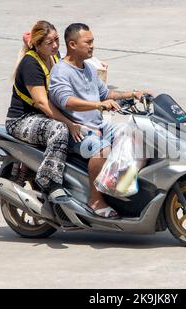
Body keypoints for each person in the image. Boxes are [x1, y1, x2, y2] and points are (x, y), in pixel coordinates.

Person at [49, 23, 151, 218]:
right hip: (77, 129)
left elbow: (105, 93)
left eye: (92, 41)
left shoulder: (87, 67)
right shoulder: (61, 71)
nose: (92, 46)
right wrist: (97, 105)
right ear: (72, 44)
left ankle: (119, 186)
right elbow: (67, 101)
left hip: (98, 124)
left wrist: (134, 93)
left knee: (140, 137)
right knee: (102, 150)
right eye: (88, 42)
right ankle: (95, 199)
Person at [5, 20, 87, 202]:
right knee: (60, 130)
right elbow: (42, 103)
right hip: (22, 120)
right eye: (50, 43)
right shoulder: (30, 64)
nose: (56, 45)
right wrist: (69, 123)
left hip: (44, 117)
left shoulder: (55, 56)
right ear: (37, 44)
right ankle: (49, 180)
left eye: (57, 40)